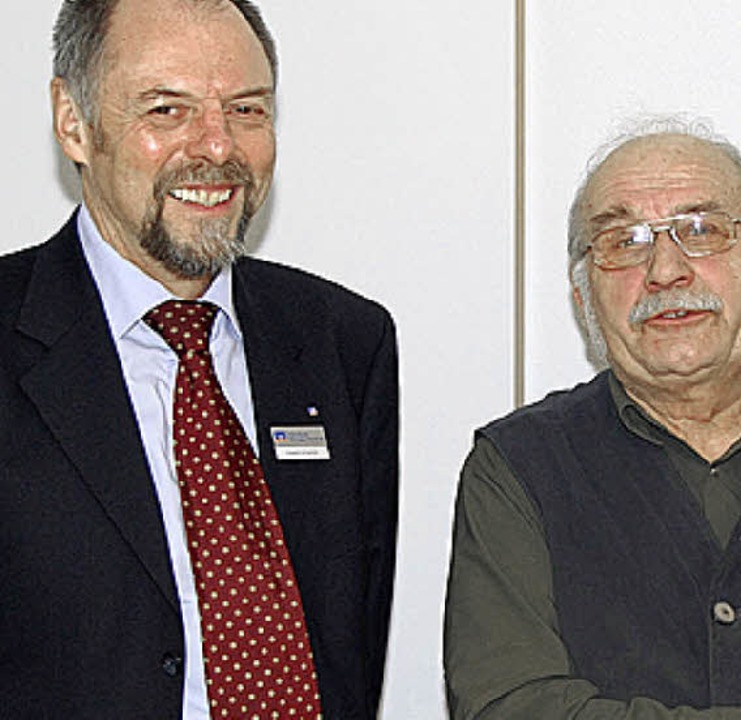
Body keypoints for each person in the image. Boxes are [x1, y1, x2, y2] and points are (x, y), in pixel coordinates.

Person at [0, 1, 399, 718]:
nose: (217, 146)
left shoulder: (345, 342)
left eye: (246, 109)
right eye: (167, 109)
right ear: (73, 122)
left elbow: (348, 653)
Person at [444, 119, 741, 719]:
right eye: (624, 241)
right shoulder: (516, 468)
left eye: (701, 230)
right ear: (583, 295)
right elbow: (508, 709)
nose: (665, 271)